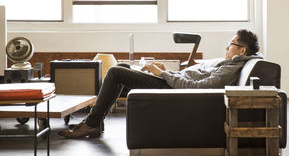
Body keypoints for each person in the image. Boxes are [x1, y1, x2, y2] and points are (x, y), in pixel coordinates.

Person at [58, 29, 261, 139]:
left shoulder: (231, 68)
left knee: (115, 72)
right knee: (121, 67)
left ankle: (92, 124)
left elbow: (198, 88)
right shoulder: (231, 63)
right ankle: (96, 121)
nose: (227, 47)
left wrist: (163, 73)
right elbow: (193, 78)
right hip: (171, 83)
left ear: (242, 50)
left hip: (172, 91)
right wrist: (167, 71)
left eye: (231, 44)